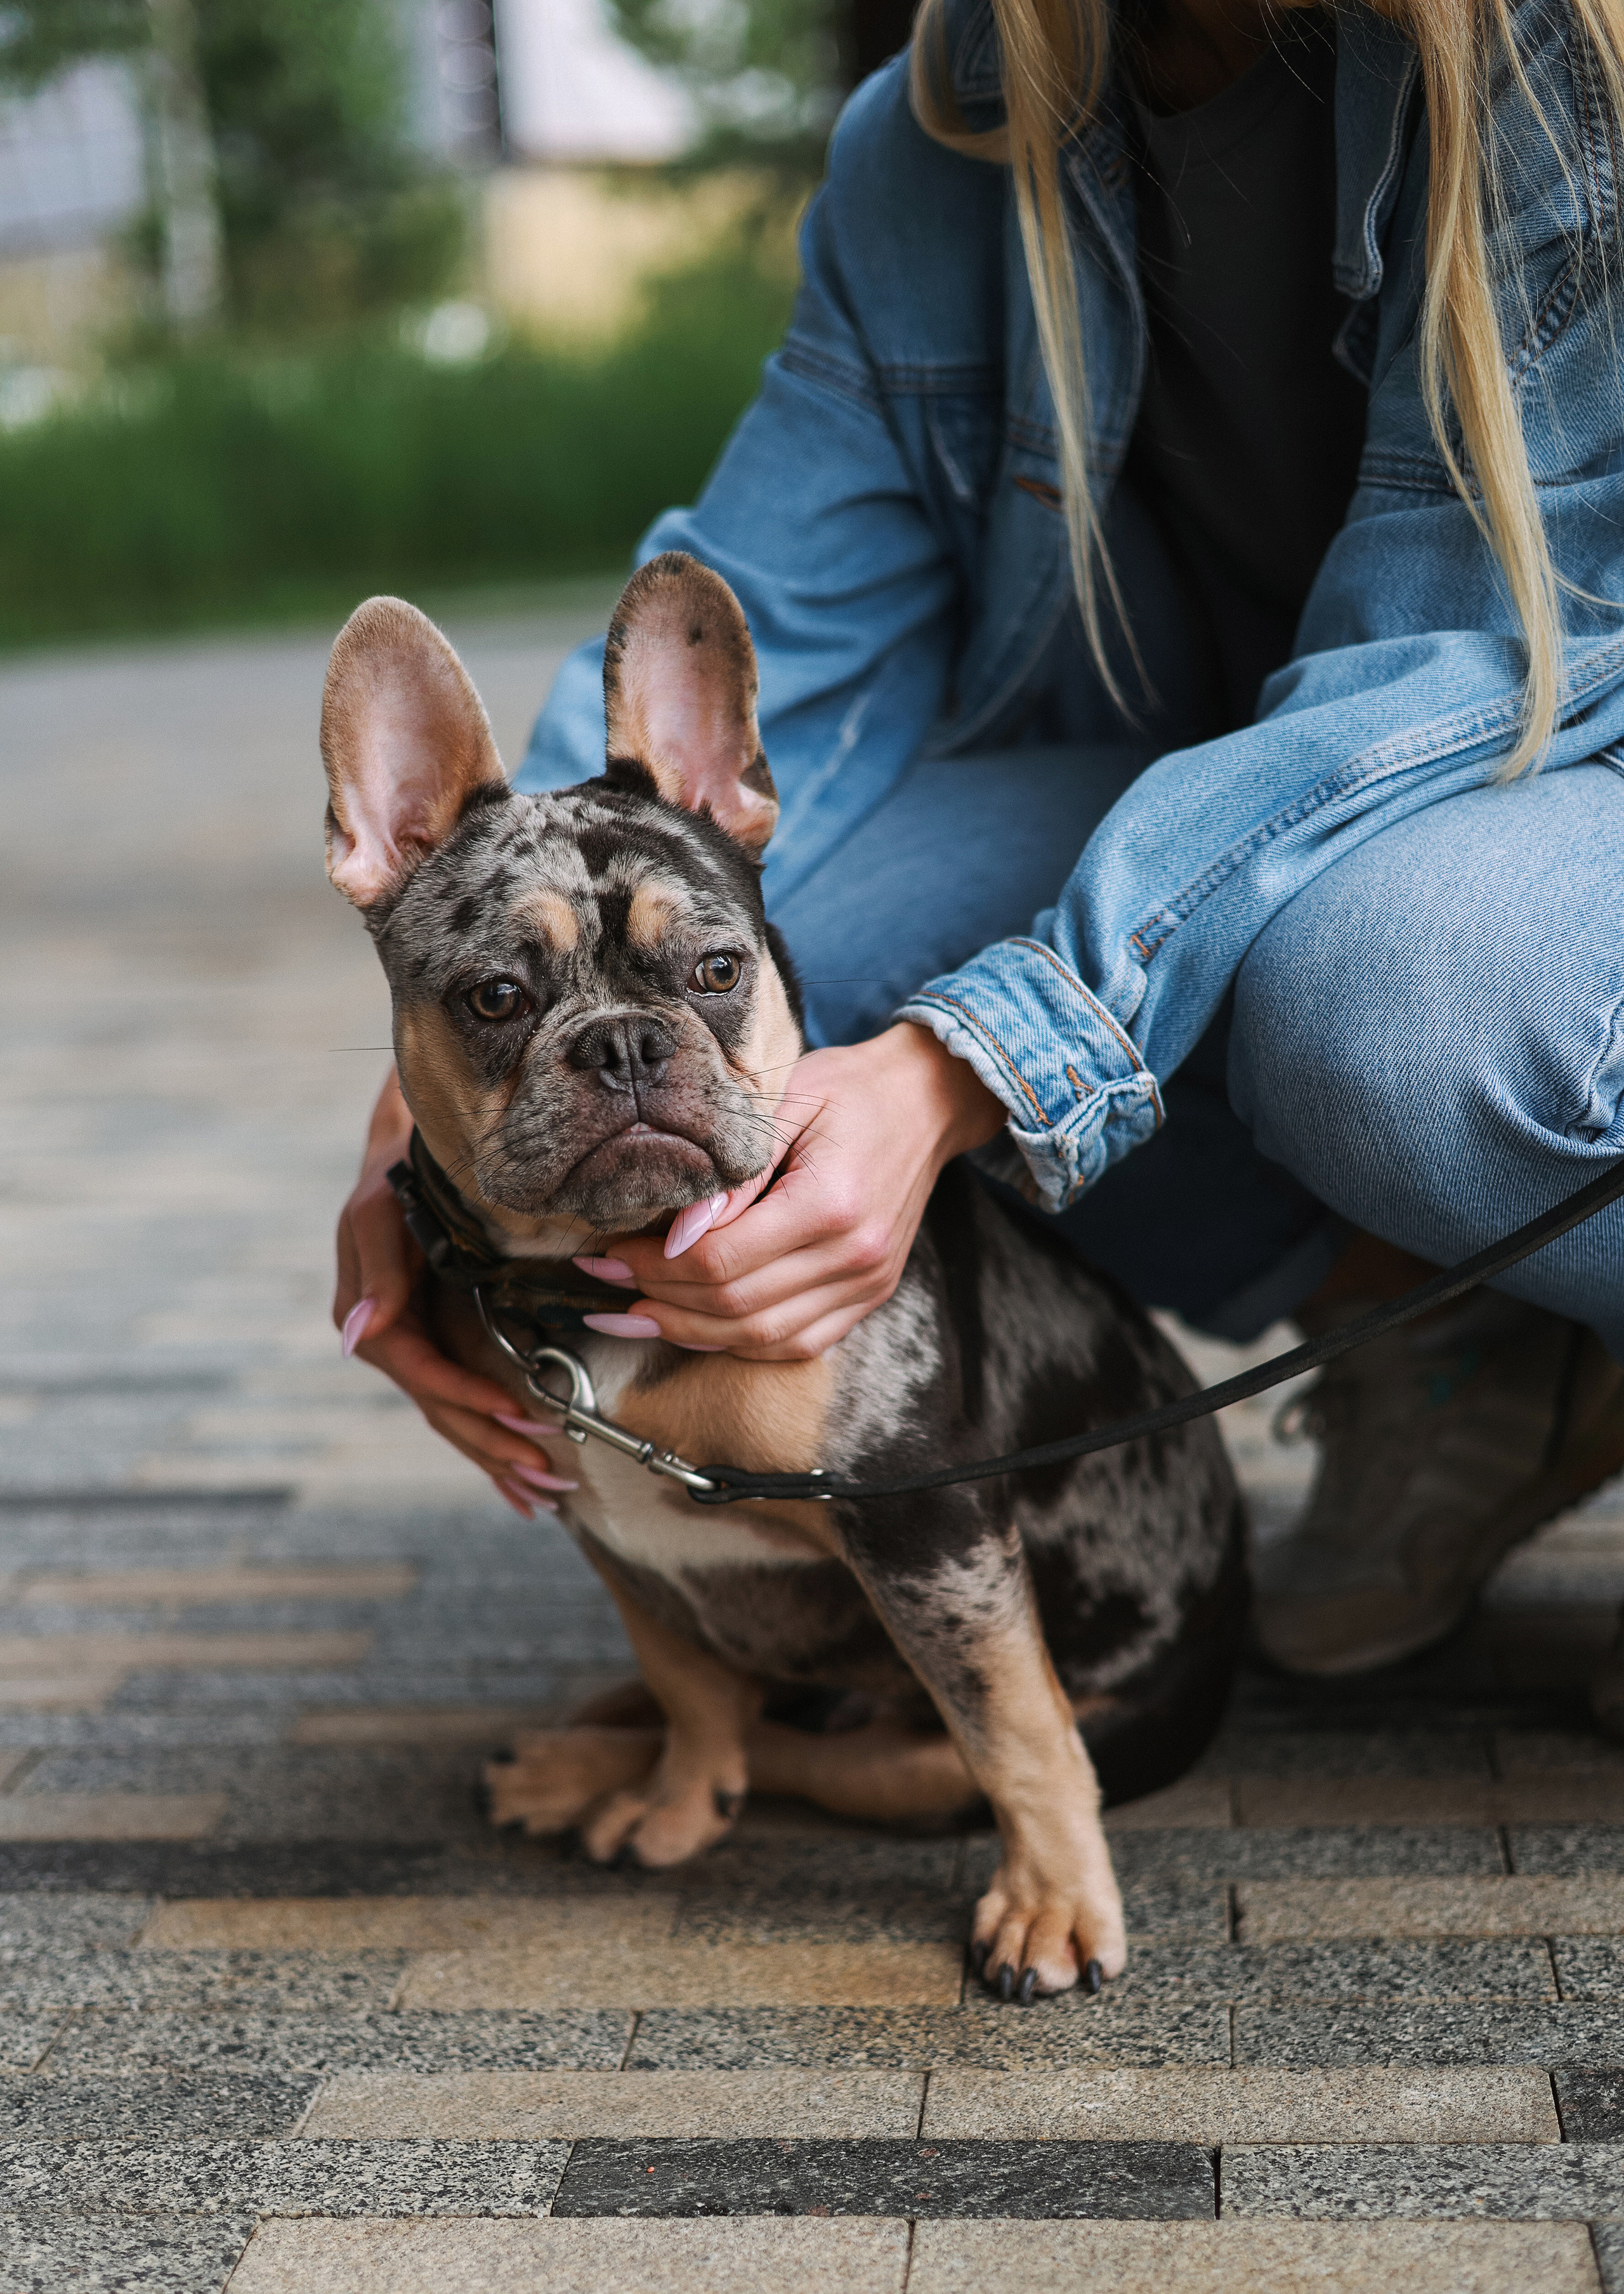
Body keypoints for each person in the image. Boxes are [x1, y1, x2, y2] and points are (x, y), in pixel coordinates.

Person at [334, 0, 1624, 1718]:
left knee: (1386, 999)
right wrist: (453, 1085)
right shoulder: (943, 131)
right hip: (1277, 787)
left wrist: (979, 1058)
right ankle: (1469, 1345)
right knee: (790, 966)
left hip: (1544, 751)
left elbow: (1456, 676)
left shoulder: (1578, 76)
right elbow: (768, 617)